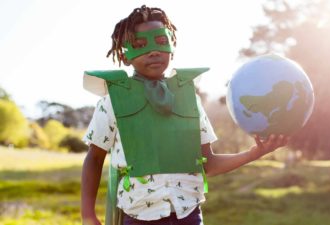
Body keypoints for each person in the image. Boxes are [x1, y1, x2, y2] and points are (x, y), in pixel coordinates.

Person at [81, 5, 288, 225]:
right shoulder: (113, 101)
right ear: (124, 56)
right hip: (139, 216)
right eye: (140, 45)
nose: (153, 51)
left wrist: (254, 153)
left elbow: (208, 163)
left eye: (161, 42)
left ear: (171, 46)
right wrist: (88, 215)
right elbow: (94, 159)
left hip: (188, 215)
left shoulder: (190, 99)